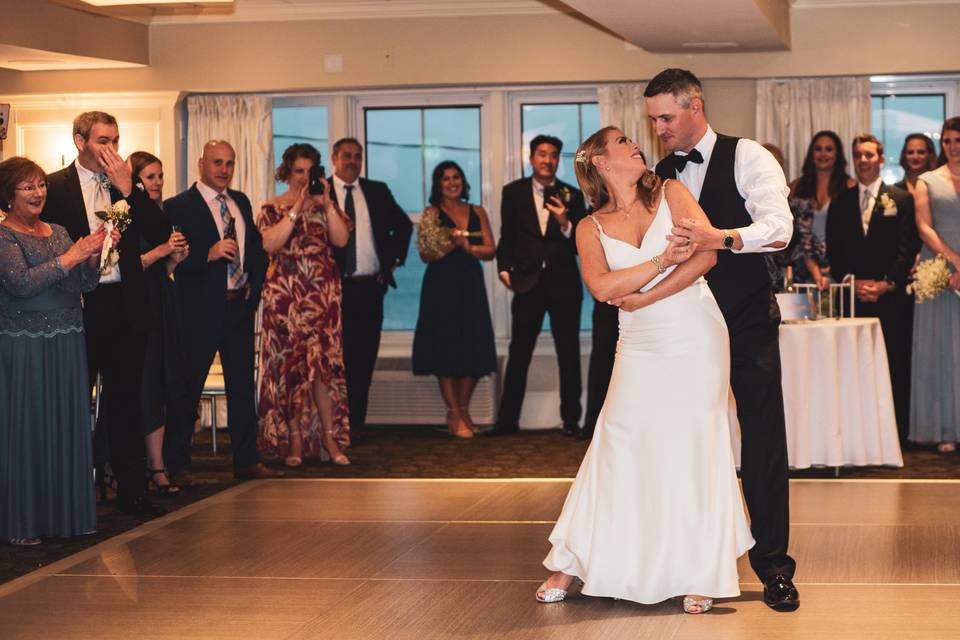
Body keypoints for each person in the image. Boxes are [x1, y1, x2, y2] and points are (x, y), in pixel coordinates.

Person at [537, 128, 753, 613]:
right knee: (618, 436)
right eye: (622, 141)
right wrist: (659, 260)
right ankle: (573, 559)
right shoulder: (589, 227)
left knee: (696, 443)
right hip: (638, 342)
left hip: (694, 333)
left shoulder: (673, 193)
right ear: (598, 161)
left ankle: (704, 569)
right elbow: (601, 285)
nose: (636, 144)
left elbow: (705, 255)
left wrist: (644, 293)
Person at [644, 68, 798, 611]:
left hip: (747, 317)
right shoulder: (658, 173)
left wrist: (722, 238)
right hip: (683, 324)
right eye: (653, 119)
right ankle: (683, 562)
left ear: (695, 106)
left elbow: (780, 229)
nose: (658, 128)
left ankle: (774, 568)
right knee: (683, 440)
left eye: (666, 117)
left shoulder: (749, 154)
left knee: (761, 438)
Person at [41, 111, 169, 517]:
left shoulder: (124, 184)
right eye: (103, 141)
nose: (112, 150)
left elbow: (160, 230)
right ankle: (71, 494)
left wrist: (130, 191)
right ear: (80, 142)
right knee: (74, 399)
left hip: (125, 305)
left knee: (126, 401)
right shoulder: (54, 186)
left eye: (116, 140)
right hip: (78, 305)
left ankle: (132, 492)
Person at [0, 157, 108, 545]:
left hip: (66, 341)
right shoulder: (4, 237)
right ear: (8, 196)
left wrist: (94, 255)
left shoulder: (59, 230)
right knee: (28, 430)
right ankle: (23, 522)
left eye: (41, 184)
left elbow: (86, 284)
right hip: (25, 346)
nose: (38, 192)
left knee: (64, 425)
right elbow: (21, 284)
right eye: (27, 187)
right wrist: (71, 257)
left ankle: (66, 518)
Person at [163, 140, 280, 482]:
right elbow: (171, 261)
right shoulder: (177, 206)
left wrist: (252, 291)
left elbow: (256, 250)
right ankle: (177, 464)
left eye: (229, 163)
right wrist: (207, 253)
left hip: (237, 308)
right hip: (197, 311)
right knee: (187, 389)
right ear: (201, 163)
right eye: (217, 162)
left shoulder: (239, 201)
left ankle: (247, 461)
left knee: (243, 388)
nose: (223, 169)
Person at [257, 143, 351, 466]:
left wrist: (326, 205)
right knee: (292, 370)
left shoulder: (325, 206)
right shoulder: (271, 207)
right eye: (299, 171)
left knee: (322, 369)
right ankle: (295, 439)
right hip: (286, 300)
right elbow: (270, 243)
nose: (304, 178)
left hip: (322, 298)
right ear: (286, 172)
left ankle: (329, 437)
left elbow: (341, 240)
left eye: (311, 172)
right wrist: (296, 209)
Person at [489, 134, 587, 437]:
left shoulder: (572, 195)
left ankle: (571, 421)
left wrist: (565, 223)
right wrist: (503, 268)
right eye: (542, 154)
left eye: (554, 155)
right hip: (527, 283)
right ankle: (507, 422)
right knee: (519, 353)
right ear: (531, 158)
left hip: (564, 285)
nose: (548, 160)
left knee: (568, 353)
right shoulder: (513, 192)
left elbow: (582, 244)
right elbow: (508, 237)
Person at [826, 134, 920, 444]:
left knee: (894, 365)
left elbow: (908, 249)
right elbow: (834, 251)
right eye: (858, 155)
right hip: (854, 300)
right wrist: (853, 283)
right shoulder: (840, 202)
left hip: (891, 300)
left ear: (881, 159)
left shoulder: (902, 199)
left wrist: (886, 283)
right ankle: (858, 435)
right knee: (856, 368)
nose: (863, 161)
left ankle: (897, 434)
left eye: (869, 155)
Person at [328, 137, 413, 437]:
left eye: (358, 156)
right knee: (335, 361)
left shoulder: (376, 191)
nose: (353, 161)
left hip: (369, 289)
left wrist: (392, 261)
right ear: (334, 158)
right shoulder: (321, 193)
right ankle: (334, 427)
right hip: (332, 293)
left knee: (364, 359)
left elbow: (404, 225)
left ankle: (356, 426)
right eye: (347, 156)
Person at [412, 161, 497, 438]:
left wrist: (469, 246)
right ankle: (453, 413)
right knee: (445, 348)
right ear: (438, 184)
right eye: (446, 178)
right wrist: (452, 244)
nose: (452, 182)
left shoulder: (477, 211)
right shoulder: (431, 213)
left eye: (456, 177)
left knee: (473, 345)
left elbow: (490, 249)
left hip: (470, 283)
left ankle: (464, 409)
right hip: (441, 286)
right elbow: (426, 254)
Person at [129, 151, 189, 497]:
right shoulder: (126, 214)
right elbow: (125, 266)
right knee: (145, 383)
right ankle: (148, 465)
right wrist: (161, 250)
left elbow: (160, 271)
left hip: (162, 302)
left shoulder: (161, 214)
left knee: (165, 380)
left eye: (160, 176)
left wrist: (174, 261)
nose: (157, 183)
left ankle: (157, 463)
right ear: (136, 181)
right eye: (150, 177)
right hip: (136, 306)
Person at [909, 117, 960, 452]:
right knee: (941, 349)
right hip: (939, 266)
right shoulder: (928, 180)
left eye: (958, 141)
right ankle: (942, 428)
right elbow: (923, 226)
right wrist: (955, 260)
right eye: (948, 141)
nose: (953, 148)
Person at [779, 131, 857, 290]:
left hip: (839, 268)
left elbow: (853, 233)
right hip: (800, 268)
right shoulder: (796, 187)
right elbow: (792, 232)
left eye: (829, 149)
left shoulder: (850, 187)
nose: (823, 154)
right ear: (811, 153)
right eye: (818, 149)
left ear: (837, 154)